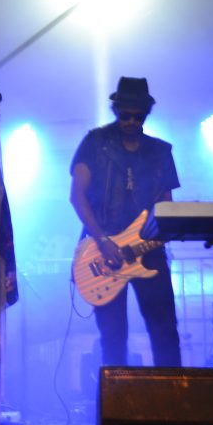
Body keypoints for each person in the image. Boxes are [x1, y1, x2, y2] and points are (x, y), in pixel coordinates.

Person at [69, 76, 182, 367]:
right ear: (116, 111)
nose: (130, 121)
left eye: (137, 116)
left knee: (165, 331)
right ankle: (115, 395)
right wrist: (102, 240)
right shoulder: (95, 143)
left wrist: (171, 226)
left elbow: (166, 205)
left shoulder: (160, 151)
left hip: (148, 250)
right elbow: (77, 196)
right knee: (113, 337)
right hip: (102, 250)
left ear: (146, 114)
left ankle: (173, 393)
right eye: (124, 115)